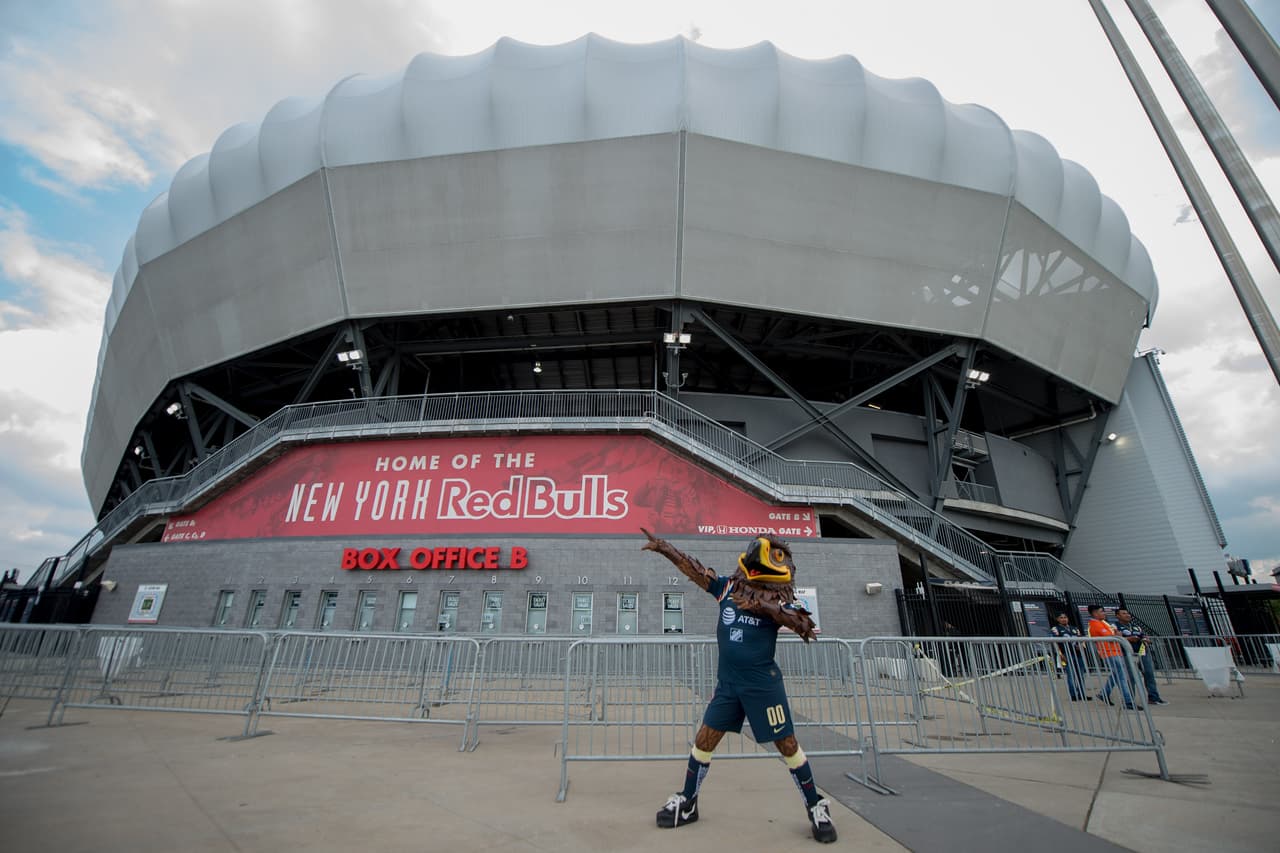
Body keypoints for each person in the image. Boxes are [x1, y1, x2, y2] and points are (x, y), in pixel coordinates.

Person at [641, 528, 837, 844]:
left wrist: (764, 606)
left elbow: (804, 624)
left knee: (788, 745)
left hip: (763, 686)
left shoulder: (779, 601)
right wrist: (665, 548)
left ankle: (816, 806)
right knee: (704, 740)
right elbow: (696, 572)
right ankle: (688, 802)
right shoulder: (728, 589)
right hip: (729, 686)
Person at [1116, 608, 1169, 705]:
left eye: (1128, 613)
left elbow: (1143, 635)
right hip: (1127, 654)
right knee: (1130, 677)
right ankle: (1129, 701)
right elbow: (1116, 638)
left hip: (1142, 652)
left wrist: (1146, 639)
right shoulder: (1115, 626)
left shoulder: (1136, 626)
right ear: (1118, 616)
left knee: (1149, 674)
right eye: (1124, 613)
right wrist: (1128, 639)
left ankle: (1153, 698)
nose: (1127, 615)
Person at [1087, 605, 1134, 708]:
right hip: (1109, 653)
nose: (1104, 613)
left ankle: (1104, 693)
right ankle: (1128, 701)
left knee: (1117, 674)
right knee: (1121, 676)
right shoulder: (1096, 624)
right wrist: (1117, 636)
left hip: (1114, 652)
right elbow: (1110, 637)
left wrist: (1116, 635)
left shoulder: (1102, 623)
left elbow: (1112, 635)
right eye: (1101, 611)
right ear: (1095, 613)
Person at [1048, 612, 1088, 701]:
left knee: (1081, 675)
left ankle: (1081, 694)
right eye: (1061, 617)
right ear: (1057, 619)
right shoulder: (1055, 629)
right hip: (1066, 654)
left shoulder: (1074, 628)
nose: (1064, 619)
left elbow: (1082, 639)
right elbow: (1054, 642)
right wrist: (1060, 654)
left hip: (1078, 654)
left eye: (1065, 617)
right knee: (1071, 675)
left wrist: (1081, 646)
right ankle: (1073, 695)